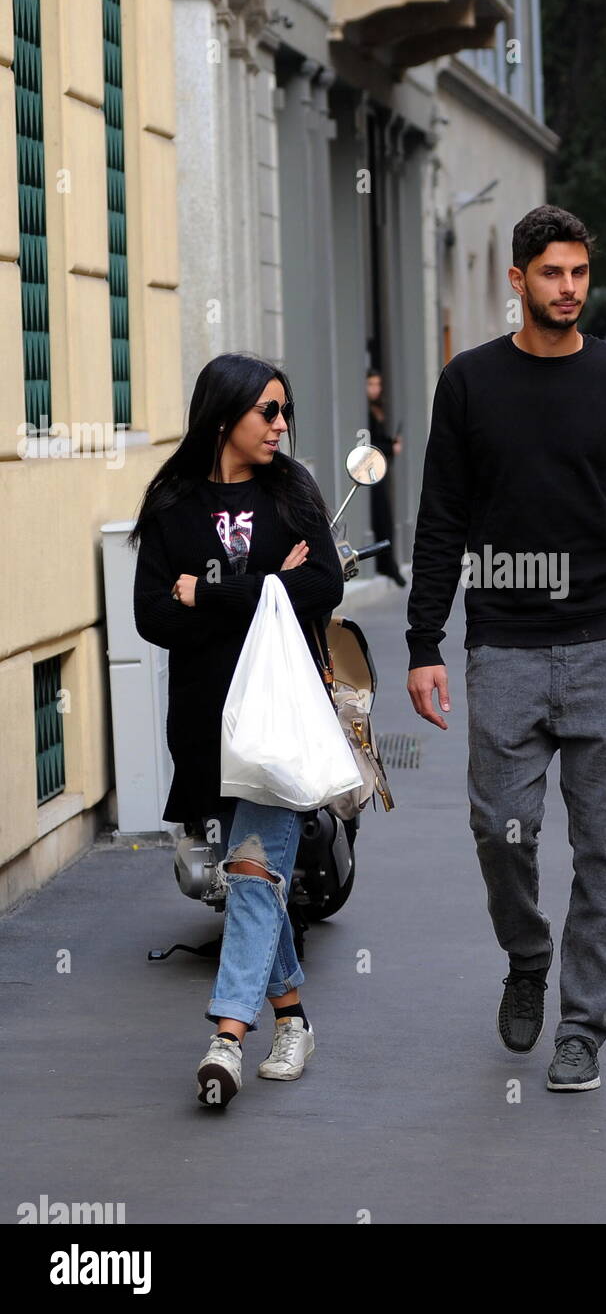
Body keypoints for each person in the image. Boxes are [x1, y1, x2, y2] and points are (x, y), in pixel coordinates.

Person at [405, 205, 606, 1092]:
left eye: (578, 274)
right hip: (501, 643)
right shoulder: (468, 383)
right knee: (500, 830)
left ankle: (583, 1023)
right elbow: (440, 521)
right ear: (517, 280)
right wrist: (424, 641)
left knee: (604, 848)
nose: (567, 289)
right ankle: (527, 954)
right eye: (550, 274)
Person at [130, 353, 344, 1107]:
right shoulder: (172, 503)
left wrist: (217, 590)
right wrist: (264, 591)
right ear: (224, 416)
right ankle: (293, 1018)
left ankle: (227, 1035)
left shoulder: (292, 492)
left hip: (279, 719)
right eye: (268, 412)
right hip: (205, 721)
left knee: (253, 872)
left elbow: (324, 585)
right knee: (255, 874)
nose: (281, 426)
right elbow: (150, 613)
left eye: (285, 411)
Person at [366, 368, 407, 587]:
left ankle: (387, 563)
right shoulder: (365, 412)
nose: (375, 389)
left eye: (377, 385)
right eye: (371, 384)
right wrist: (391, 446)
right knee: (381, 516)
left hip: (375, 470)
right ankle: (386, 565)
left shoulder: (375, 410)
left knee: (385, 516)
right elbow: (370, 444)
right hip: (367, 471)